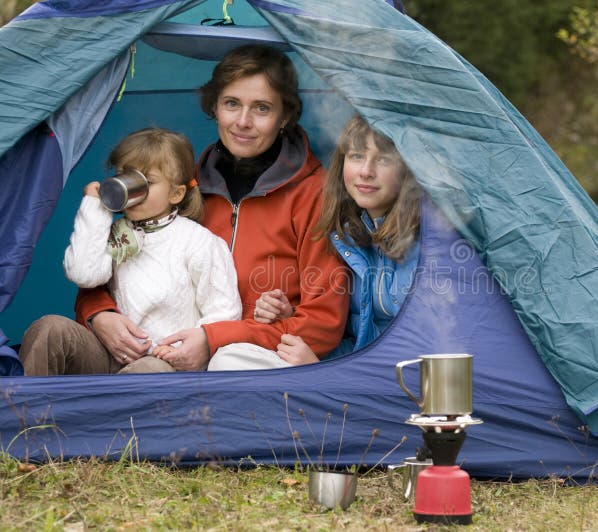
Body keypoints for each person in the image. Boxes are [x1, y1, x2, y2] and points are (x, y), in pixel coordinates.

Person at [72, 44, 349, 372]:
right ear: (215, 106)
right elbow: (108, 266)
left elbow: (322, 323)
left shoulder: (314, 193)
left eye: (261, 108)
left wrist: (216, 338)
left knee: (227, 362)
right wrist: (100, 313)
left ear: (285, 116)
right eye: (232, 104)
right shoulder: (180, 185)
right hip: (166, 350)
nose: (243, 121)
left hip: (256, 357)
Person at [20, 127, 242, 375]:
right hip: (109, 355)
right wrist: (96, 207)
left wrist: (183, 349)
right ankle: (25, 411)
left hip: (164, 363)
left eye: (146, 182)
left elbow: (224, 311)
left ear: (176, 193)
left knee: (148, 370)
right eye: (125, 177)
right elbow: (84, 273)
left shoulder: (199, 242)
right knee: (49, 329)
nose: (130, 189)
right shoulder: (116, 233)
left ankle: (121, 411)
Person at [252, 115, 421, 365]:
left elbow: (422, 356)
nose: (366, 171)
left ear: (407, 169)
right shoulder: (347, 236)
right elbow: (359, 338)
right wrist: (292, 316)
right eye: (357, 156)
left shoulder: (428, 243)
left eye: (383, 160)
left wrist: (321, 373)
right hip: (358, 376)